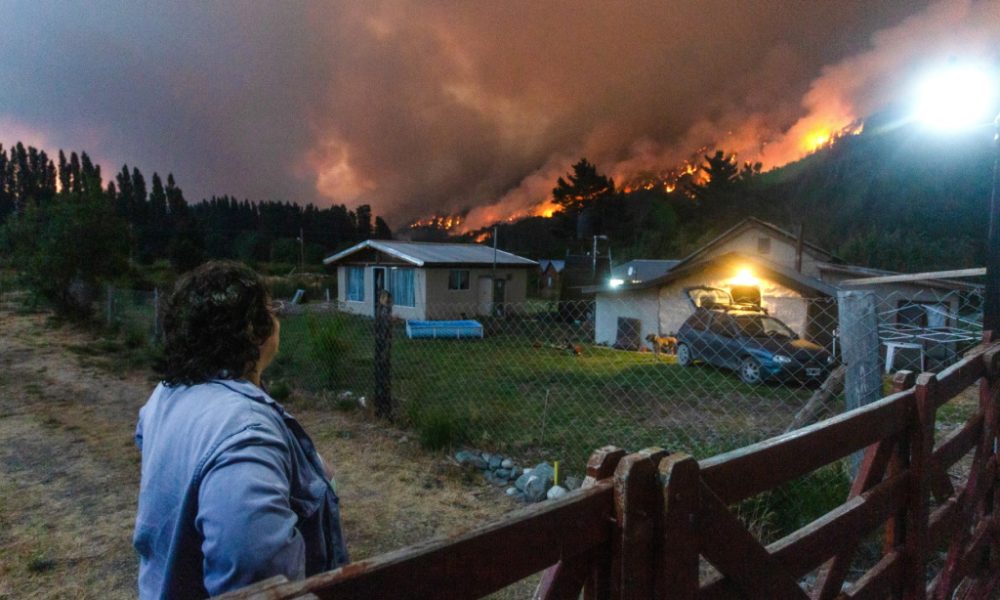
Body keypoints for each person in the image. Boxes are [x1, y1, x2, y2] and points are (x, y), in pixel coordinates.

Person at [133, 261, 348, 599]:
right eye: (270, 310)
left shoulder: (166, 395)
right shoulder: (247, 432)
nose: (277, 319)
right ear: (252, 329)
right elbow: (257, 574)